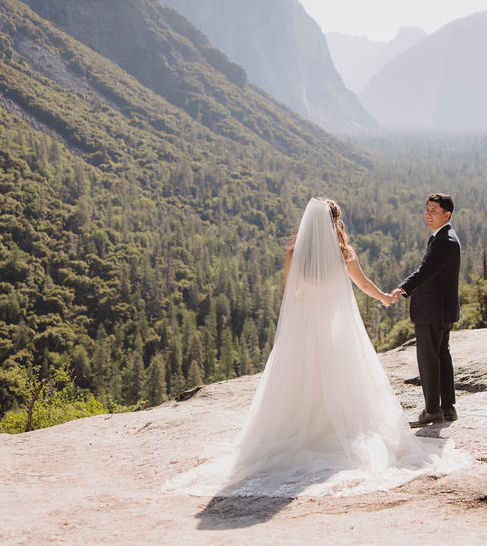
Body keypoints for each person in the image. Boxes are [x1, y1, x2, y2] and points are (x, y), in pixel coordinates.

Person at [165, 197, 465, 497]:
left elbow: (289, 295)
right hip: (336, 333)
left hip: (304, 332)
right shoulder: (345, 254)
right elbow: (363, 285)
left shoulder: (294, 253)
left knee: (299, 382)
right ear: (335, 222)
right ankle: (340, 429)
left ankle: (298, 428)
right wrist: (386, 297)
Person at [389, 193, 460, 428]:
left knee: (429, 359)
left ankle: (432, 410)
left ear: (447, 215)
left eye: (434, 210)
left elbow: (426, 270)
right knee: (441, 356)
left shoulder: (444, 240)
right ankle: (447, 408)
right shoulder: (442, 238)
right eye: (427, 209)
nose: (428, 214)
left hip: (432, 311)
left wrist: (403, 288)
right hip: (441, 311)